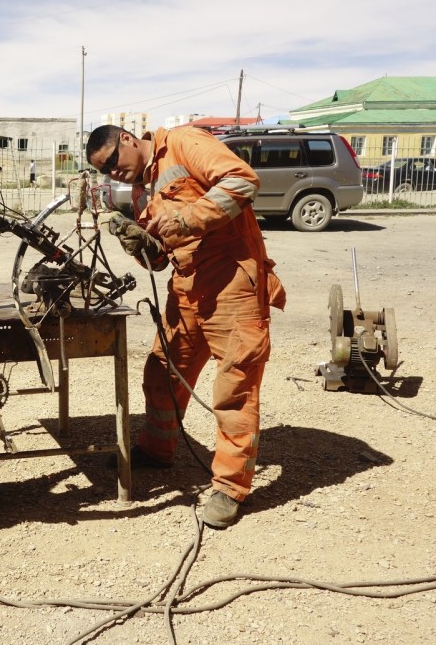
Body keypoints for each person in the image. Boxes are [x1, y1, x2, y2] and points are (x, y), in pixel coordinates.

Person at [85, 124, 286, 529]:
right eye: (103, 171)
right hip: (187, 288)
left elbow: (243, 180)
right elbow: (161, 258)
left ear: (126, 139)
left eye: (111, 162)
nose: (112, 174)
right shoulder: (142, 190)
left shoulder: (181, 143)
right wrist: (140, 245)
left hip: (233, 284)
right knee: (162, 372)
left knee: (234, 388)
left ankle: (230, 488)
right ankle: (158, 448)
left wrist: (188, 219)